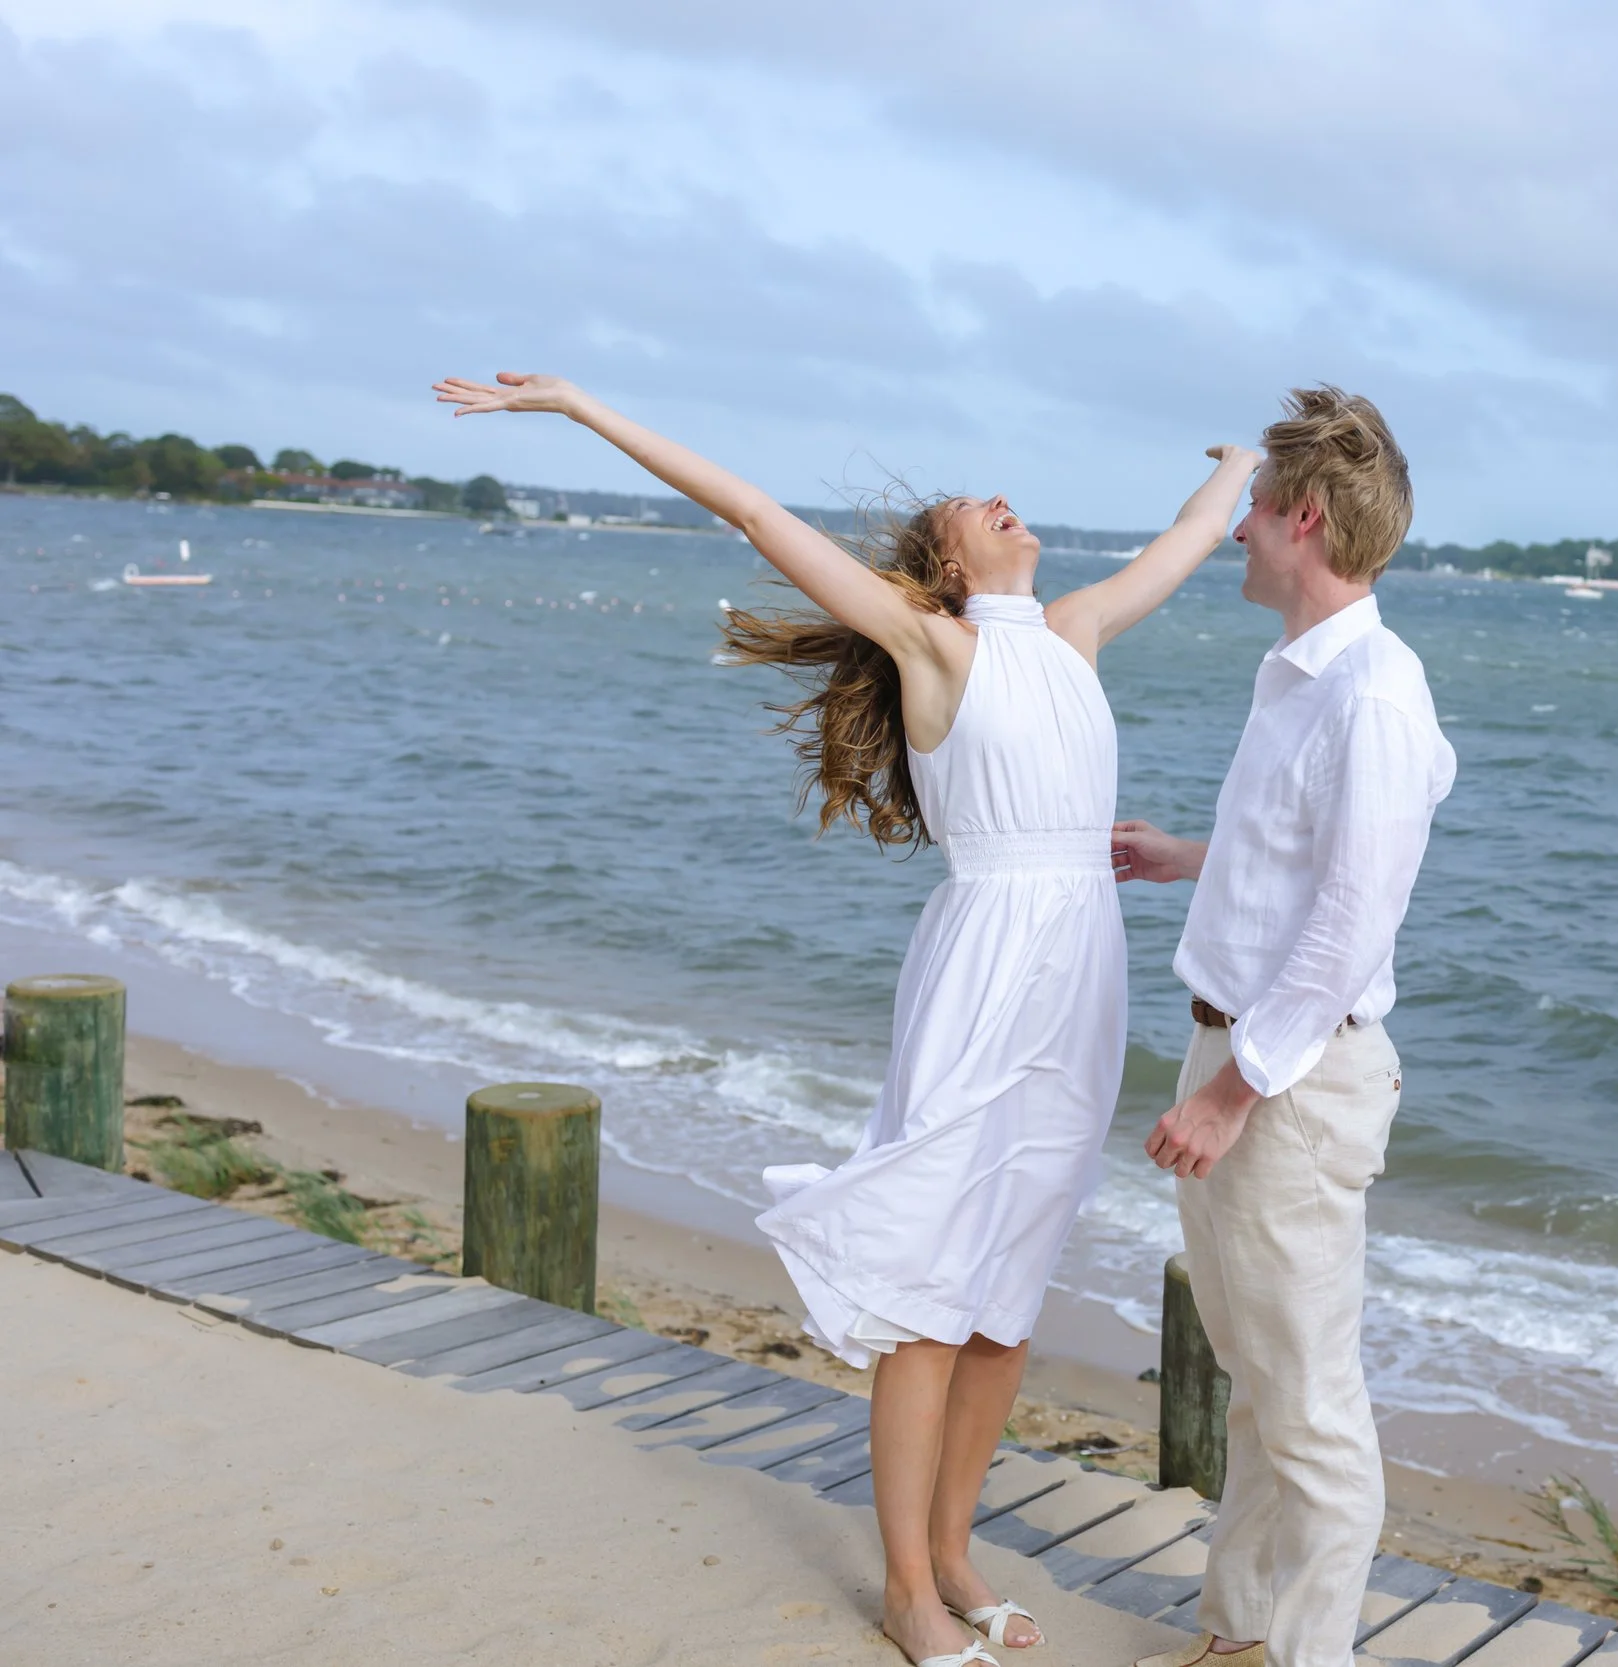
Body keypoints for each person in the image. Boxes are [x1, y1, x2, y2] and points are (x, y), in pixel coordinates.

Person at [432, 371, 1259, 1667]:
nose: (1001, 501)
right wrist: (582, 410)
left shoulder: (1079, 628)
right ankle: (904, 1587)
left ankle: (951, 1550)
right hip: (985, 965)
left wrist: (1238, 459)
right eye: (970, 510)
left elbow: (1196, 536)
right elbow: (757, 512)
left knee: (1003, 1300)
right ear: (939, 564)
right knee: (932, 1287)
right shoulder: (937, 646)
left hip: (1083, 976)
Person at [1111, 387, 1456, 1667]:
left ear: (1303, 519)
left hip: (1288, 1084)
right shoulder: (1303, 673)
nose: (1237, 533)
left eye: (1253, 510)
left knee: (1310, 1410)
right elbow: (1302, 863)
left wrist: (1228, 1092)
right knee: (1259, 1384)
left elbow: (1351, 926)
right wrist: (1189, 857)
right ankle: (1237, 1637)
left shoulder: (1373, 691)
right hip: (1245, 1052)